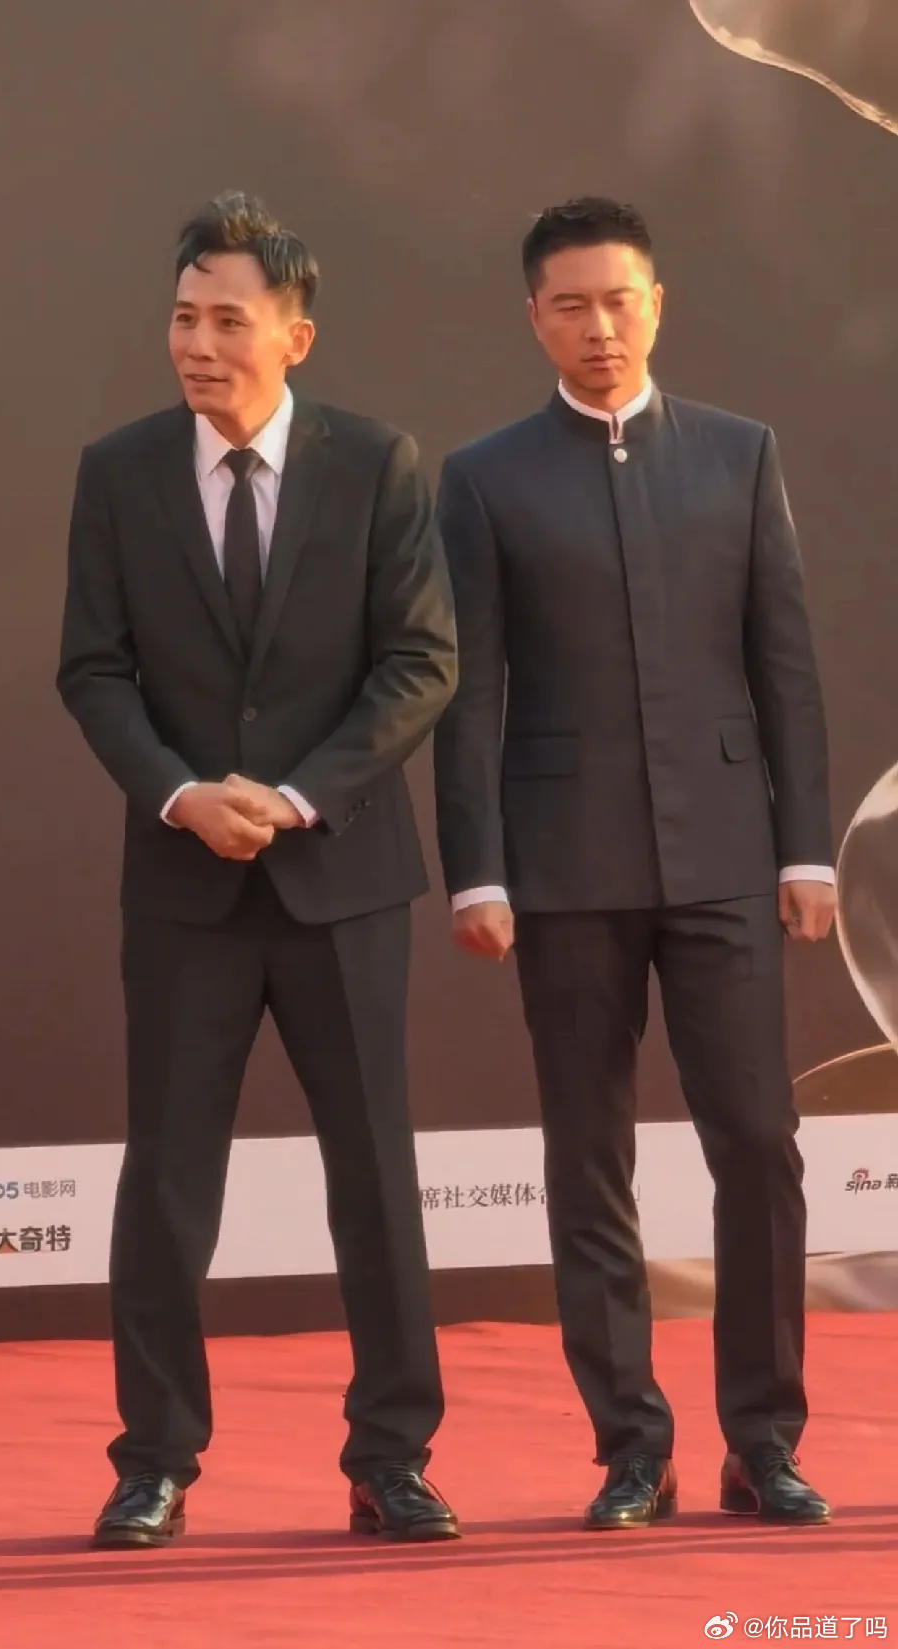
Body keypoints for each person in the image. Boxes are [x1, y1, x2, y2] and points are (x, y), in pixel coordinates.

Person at [58, 191, 459, 1549]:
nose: (198, 344)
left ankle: (392, 1456)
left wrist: (292, 797)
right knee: (168, 1182)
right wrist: (182, 793)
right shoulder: (119, 472)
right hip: (184, 884)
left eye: (230, 321)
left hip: (340, 876)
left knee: (376, 1177)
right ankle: (154, 1459)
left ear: (297, 334)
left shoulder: (377, 464)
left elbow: (422, 660)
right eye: (184, 318)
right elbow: (94, 670)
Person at [433, 196, 836, 1530]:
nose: (599, 327)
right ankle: (630, 1445)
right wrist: (478, 869)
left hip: (726, 858)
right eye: (571, 305)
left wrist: (803, 847)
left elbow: (785, 667)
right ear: (533, 318)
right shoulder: (486, 477)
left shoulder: (739, 454)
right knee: (587, 1155)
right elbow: (469, 690)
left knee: (760, 1144)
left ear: (657, 304)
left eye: (620, 300)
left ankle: (763, 1440)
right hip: (561, 869)